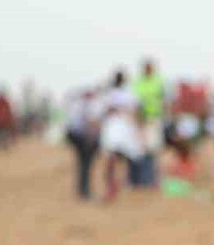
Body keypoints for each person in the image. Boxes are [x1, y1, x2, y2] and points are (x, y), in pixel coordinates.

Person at [99, 70, 143, 202]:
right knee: (115, 159)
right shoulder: (123, 94)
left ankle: (116, 185)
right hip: (119, 128)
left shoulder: (119, 94)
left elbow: (134, 111)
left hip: (120, 128)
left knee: (116, 159)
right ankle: (114, 186)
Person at [132, 59, 166, 186]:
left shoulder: (158, 82)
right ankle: (141, 179)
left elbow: (164, 100)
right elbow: (135, 102)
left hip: (154, 119)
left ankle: (152, 178)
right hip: (140, 121)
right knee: (141, 150)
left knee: (153, 150)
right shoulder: (137, 83)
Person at [65, 88, 100, 200]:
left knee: (82, 163)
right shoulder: (89, 105)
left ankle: (82, 189)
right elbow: (91, 122)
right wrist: (91, 139)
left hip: (76, 136)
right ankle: (84, 190)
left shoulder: (77, 104)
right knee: (86, 164)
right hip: (82, 137)